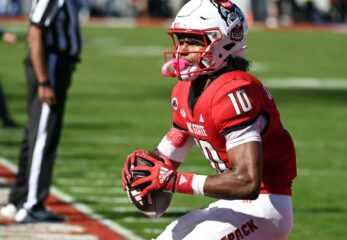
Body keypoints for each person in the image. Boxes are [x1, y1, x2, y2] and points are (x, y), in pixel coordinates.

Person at [122, 0, 297, 239]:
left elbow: (247, 182)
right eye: (180, 40)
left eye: (193, 41)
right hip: (232, 204)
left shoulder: (234, 91)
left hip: (265, 207)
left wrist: (173, 181)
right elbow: (167, 157)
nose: (182, 50)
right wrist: (145, 170)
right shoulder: (184, 91)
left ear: (224, 42)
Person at [0, 0, 82, 222]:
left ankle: (17, 198)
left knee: (34, 133)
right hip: (50, 64)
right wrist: (44, 81)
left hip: (55, 64)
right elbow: (35, 33)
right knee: (43, 136)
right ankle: (32, 205)